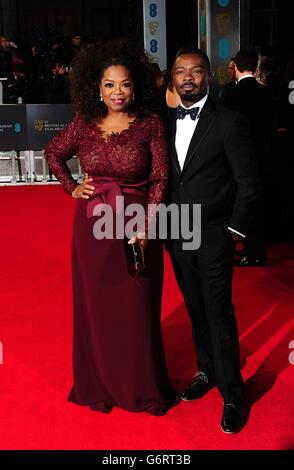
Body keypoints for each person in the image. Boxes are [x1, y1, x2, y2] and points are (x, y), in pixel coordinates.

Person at [45, 40, 177, 415]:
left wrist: (149, 226)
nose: (117, 92)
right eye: (109, 85)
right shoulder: (84, 124)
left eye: (124, 84)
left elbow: (159, 179)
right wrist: (72, 187)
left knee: (136, 308)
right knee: (97, 308)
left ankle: (139, 385)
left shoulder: (150, 124)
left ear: (136, 87)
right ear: (96, 88)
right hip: (92, 227)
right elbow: (53, 152)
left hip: (137, 225)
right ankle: (99, 381)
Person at [166, 46, 260, 433]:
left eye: (196, 71)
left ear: (209, 76)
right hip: (177, 230)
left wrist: (235, 231)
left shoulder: (228, 122)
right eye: (181, 71)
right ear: (172, 78)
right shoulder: (164, 122)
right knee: (195, 308)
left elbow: (249, 182)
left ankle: (233, 394)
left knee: (219, 313)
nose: (188, 77)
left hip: (214, 234)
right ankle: (206, 370)